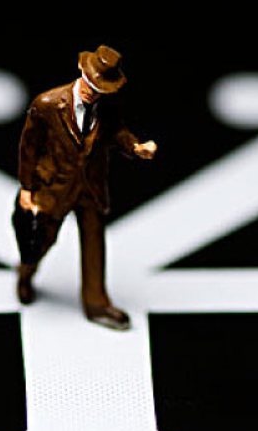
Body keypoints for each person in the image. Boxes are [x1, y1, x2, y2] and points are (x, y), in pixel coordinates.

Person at [12, 45, 157, 330]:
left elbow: (118, 132)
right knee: (41, 240)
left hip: (90, 187)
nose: (93, 92)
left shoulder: (108, 108)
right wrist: (27, 188)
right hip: (54, 186)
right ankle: (25, 272)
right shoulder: (47, 104)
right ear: (81, 71)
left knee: (94, 242)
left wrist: (135, 147)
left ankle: (96, 302)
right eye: (91, 84)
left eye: (100, 88)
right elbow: (29, 148)